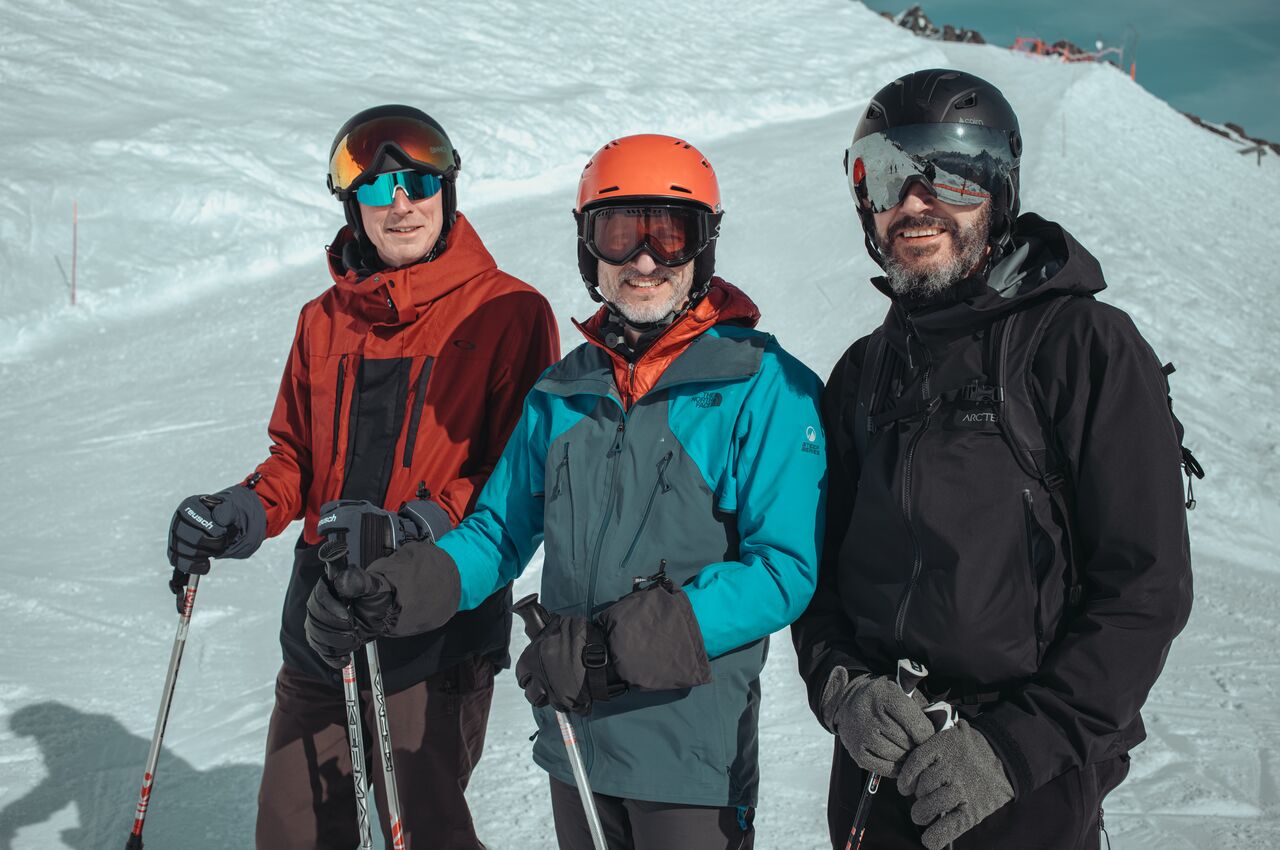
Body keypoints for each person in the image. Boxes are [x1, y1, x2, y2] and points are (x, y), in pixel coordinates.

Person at [303, 134, 828, 849]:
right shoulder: (561, 390)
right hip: (574, 744)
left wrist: (616, 646)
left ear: (704, 247)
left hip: (692, 758)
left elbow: (783, 570)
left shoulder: (763, 386)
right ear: (589, 249)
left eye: (671, 235)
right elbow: (497, 533)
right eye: (619, 235)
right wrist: (395, 592)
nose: (645, 260)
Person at [791, 69, 1194, 850]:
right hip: (878, 769)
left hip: (1023, 782)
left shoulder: (1082, 347)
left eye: (949, 175)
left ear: (998, 191)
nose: (915, 203)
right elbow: (818, 574)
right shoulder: (864, 373)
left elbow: (1145, 589)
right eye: (887, 177)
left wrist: (1014, 750)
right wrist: (844, 688)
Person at [165, 104, 559, 849]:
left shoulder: (507, 312)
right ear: (352, 205)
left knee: (426, 832)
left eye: (418, 183)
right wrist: (243, 508)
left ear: (446, 190)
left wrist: (416, 526)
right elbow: (295, 457)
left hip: (431, 620)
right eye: (377, 189)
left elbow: (518, 476)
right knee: (294, 833)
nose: (400, 204)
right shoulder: (323, 319)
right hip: (321, 614)